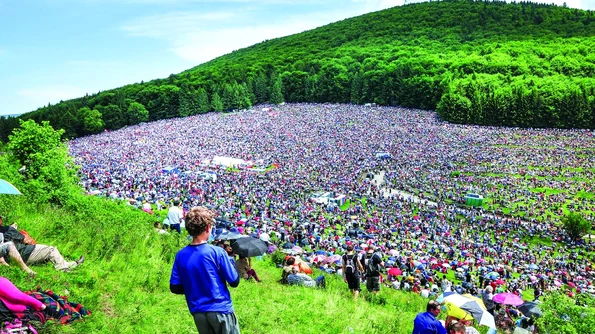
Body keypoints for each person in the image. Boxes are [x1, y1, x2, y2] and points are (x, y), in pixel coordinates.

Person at [170, 206, 240, 334]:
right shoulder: (217, 252)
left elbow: (174, 287)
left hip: (198, 311)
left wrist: (196, 286)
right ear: (208, 227)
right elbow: (234, 281)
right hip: (221, 309)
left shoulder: (181, 255)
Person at [0, 224, 84, 272]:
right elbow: (26, 240)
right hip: (24, 253)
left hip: (11, 259)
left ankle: (72, 264)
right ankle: (63, 269)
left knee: (51, 255)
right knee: (51, 250)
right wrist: (13, 229)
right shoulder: (8, 229)